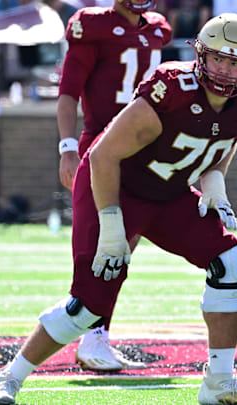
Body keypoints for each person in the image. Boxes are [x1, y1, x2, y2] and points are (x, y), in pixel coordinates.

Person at [0, 14, 237, 405]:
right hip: (113, 186)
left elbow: (224, 140)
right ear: (201, 57)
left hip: (169, 194)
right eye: (218, 60)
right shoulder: (171, 88)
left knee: (230, 260)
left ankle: (219, 383)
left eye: (236, 62)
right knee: (89, 305)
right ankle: (10, 376)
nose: (225, 71)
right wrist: (110, 223)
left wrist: (215, 181)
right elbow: (104, 155)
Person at [56, 0, 172, 371]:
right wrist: (67, 146)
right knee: (100, 243)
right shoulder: (92, 25)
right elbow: (68, 90)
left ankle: (96, 334)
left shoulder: (157, 28)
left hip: (143, 147)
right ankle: (88, 332)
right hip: (102, 144)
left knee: (124, 245)